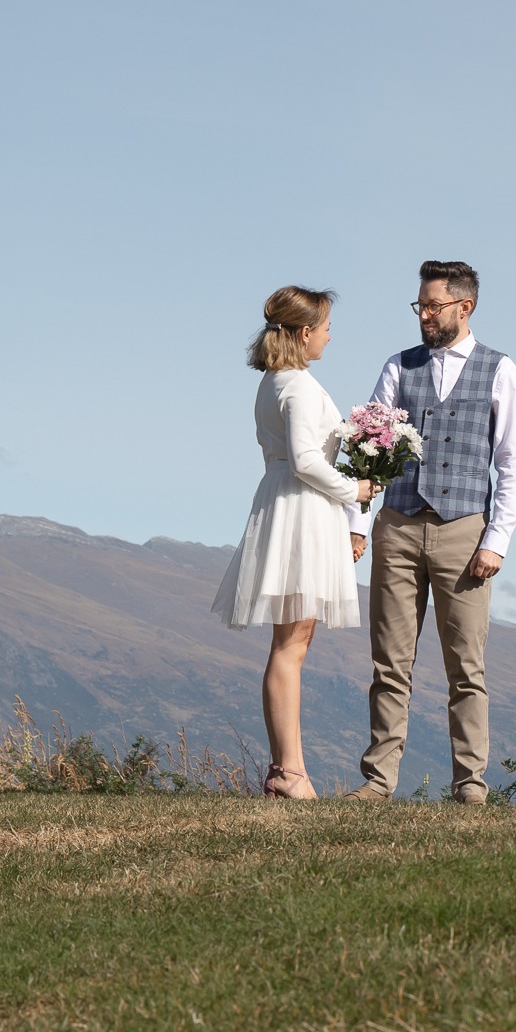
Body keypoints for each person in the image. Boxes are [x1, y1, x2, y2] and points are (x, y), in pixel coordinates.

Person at [344, 260, 516, 804]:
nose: (423, 315)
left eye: (433, 306)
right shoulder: (398, 367)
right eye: (419, 306)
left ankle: (469, 783)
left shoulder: (500, 369)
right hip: (396, 526)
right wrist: (358, 526)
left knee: (466, 666)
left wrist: (496, 541)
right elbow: (366, 449)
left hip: (464, 532)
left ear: (463, 307)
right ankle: (378, 781)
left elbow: (513, 462)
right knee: (388, 662)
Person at [210, 286, 375, 798]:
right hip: (301, 509)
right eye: (325, 327)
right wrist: (356, 489)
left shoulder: (274, 381)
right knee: (291, 645)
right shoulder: (298, 386)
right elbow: (306, 460)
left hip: (287, 503)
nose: (330, 336)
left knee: (292, 644)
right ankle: (289, 772)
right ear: (305, 333)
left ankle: (290, 768)